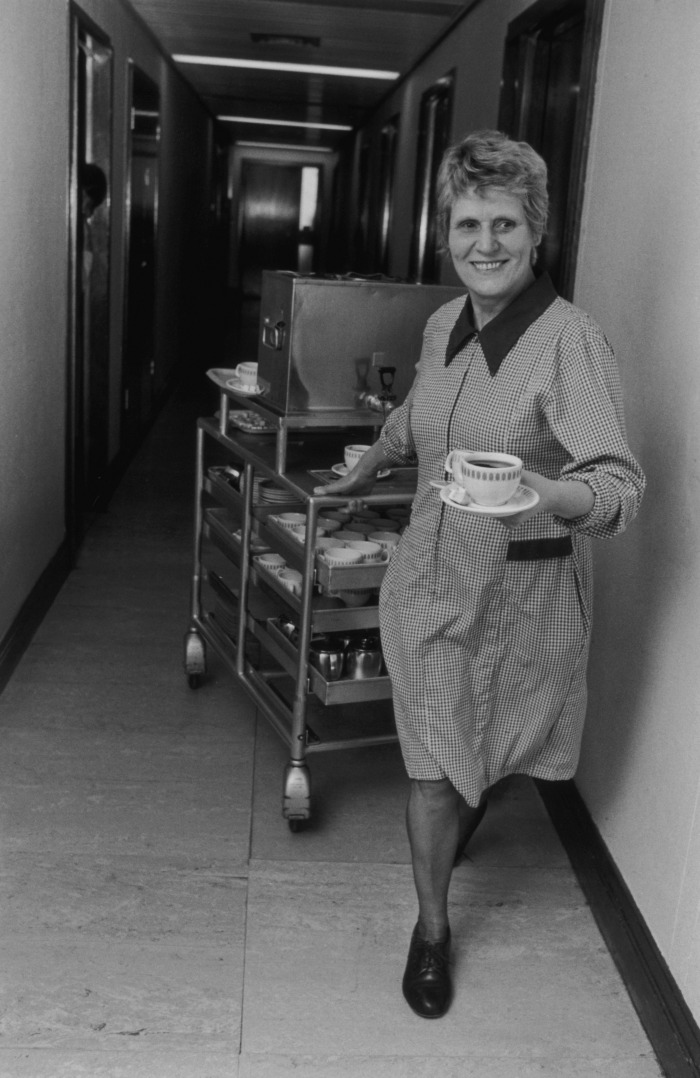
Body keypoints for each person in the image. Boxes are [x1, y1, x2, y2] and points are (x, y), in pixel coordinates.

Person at [315, 130, 645, 1019]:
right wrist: (370, 462)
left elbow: (618, 486)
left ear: (536, 234)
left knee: (491, 750)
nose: (484, 244)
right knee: (431, 764)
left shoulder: (570, 342)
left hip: (527, 594)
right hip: (427, 582)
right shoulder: (439, 326)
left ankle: (465, 809)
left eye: (504, 224)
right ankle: (432, 932)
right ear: (446, 233)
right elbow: (417, 419)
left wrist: (545, 490)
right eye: (468, 224)